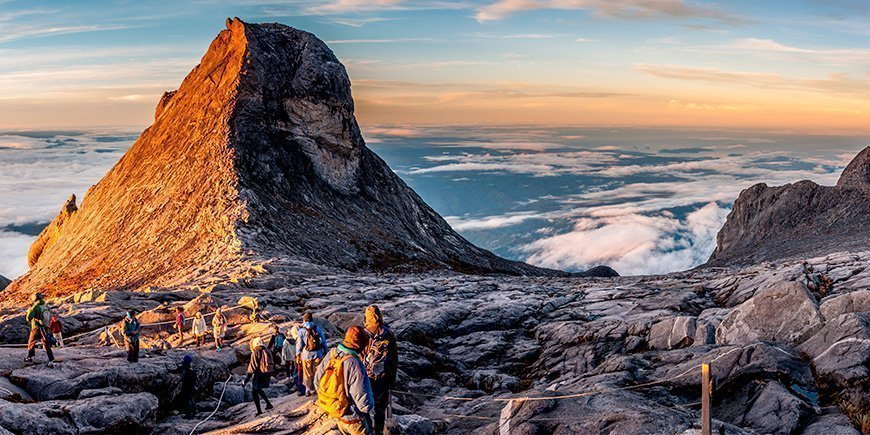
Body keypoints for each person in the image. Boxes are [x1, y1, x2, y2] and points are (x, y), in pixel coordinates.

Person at [315, 325, 375, 435]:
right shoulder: (354, 363)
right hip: (354, 419)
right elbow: (363, 403)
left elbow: (317, 381)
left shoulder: (332, 353)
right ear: (360, 344)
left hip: (337, 413)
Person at [363, 305, 399, 435]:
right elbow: (394, 360)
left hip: (367, 377)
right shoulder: (388, 334)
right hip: (382, 378)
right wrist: (392, 380)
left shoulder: (364, 333)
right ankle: (378, 431)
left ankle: (369, 430)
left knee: (363, 407)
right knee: (379, 408)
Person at [296, 312, 327, 396]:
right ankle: (317, 388)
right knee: (317, 371)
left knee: (307, 373)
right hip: (318, 353)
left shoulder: (301, 330)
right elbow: (323, 341)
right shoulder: (317, 329)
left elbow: (299, 344)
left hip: (306, 354)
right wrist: (326, 351)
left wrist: (298, 354)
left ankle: (308, 389)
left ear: (304, 319)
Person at [244, 337, 274, 415]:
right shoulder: (267, 350)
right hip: (267, 373)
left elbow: (252, 366)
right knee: (257, 389)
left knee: (254, 391)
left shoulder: (256, 352)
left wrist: (247, 378)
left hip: (260, 373)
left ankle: (259, 410)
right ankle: (268, 404)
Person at [24, 292, 55, 366]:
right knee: (46, 343)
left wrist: (29, 311)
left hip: (36, 328)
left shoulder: (35, 306)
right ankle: (51, 360)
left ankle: (29, 358)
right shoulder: (45, 306)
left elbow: (28, 318)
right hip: (45, 328)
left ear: (34, 298)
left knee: (31, 342)